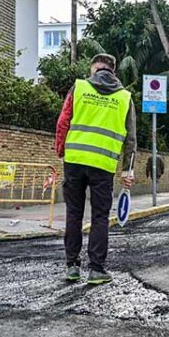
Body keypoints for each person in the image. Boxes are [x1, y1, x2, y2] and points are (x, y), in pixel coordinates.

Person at [55, 54, 137, 285]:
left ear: (95, 68)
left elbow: (63, 121)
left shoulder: (79, 87)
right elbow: (130, 139)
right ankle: (96, 270)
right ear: (112, 71)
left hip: (75, 160)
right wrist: (126, 171)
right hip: (103, 164)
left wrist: (62, 150)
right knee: (100, 216)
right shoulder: (124, 98)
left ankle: (72, 267)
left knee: (74, 213)